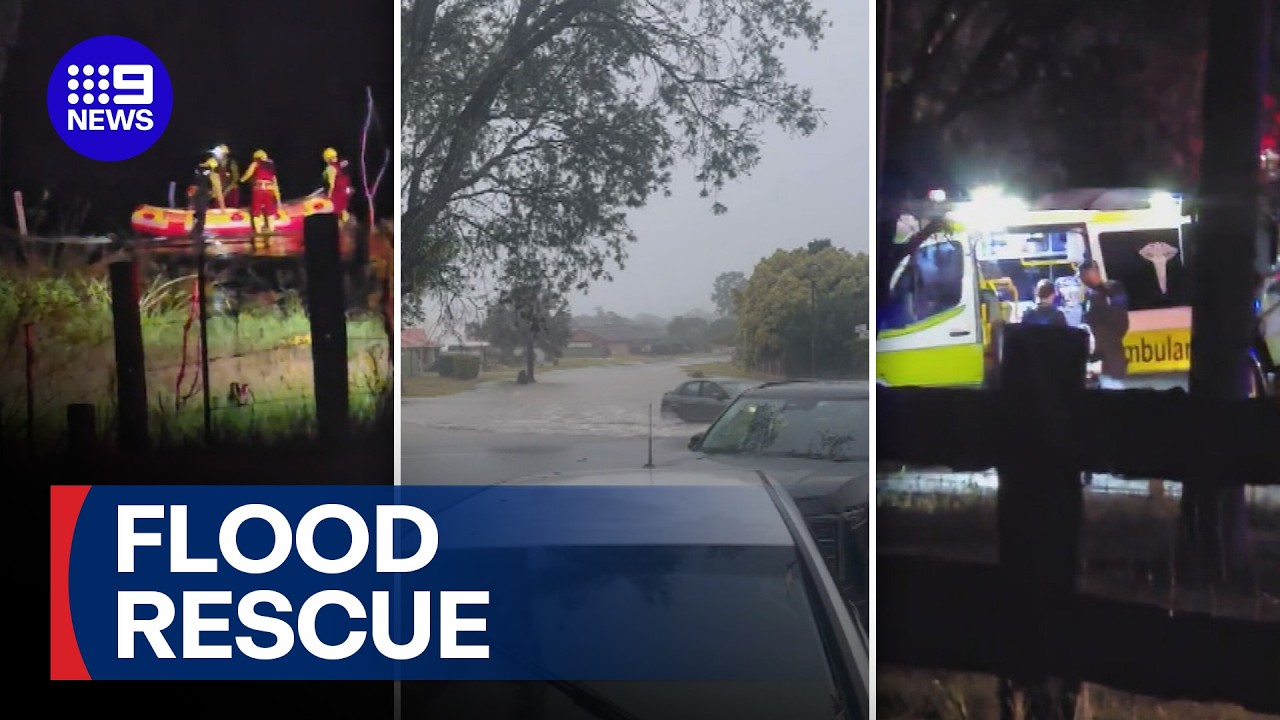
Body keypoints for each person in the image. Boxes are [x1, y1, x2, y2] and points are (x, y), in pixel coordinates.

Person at [1078, 260, 1130, 389]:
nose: (1082, 279)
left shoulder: (1110, 291)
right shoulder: (1090, 296)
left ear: (1093, 273)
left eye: (1083, 275)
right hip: (1100, 362)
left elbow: (1121, 323)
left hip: (1108, 361)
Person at [239, 149, 284, 233]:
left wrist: (241, 180)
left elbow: (248, 173)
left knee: (256, 213)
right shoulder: (271, 166)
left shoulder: (256, 163)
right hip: (269, 190)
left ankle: (258, 232)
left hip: (258, 189)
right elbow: (275, 183)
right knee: (270, 213)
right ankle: (271, 230)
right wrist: (278, 200)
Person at [190, 157, 224, 238]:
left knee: (198, 214)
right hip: (202, 196)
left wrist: (191, 202)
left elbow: (193, 186)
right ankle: (198, 234)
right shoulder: (212, 175)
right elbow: (218, 192)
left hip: (197, 196)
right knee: (201, 216)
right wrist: (222, 208)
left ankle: (195, 231)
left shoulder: (199, 172)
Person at [322, 147, 354, 224]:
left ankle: (340, 226)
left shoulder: (330, 168)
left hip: (337, 194)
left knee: (336, 212)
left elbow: (331, 184)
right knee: (343, 210)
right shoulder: (341, 165)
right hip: (345, 193)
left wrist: (329, 196)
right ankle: (346, 225)